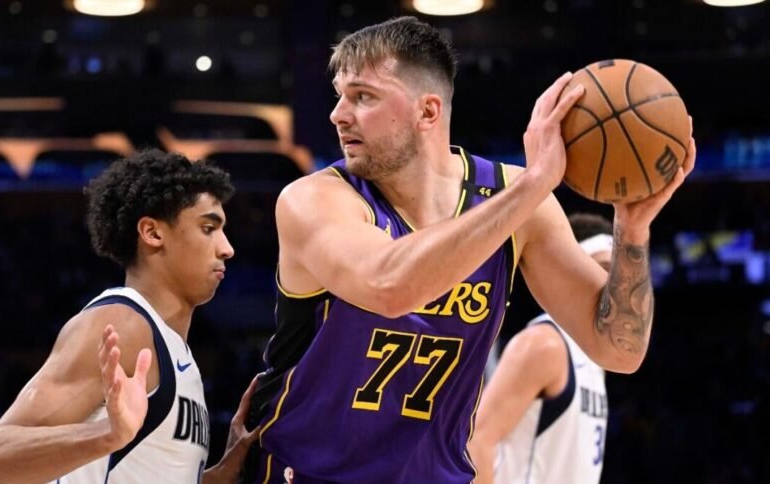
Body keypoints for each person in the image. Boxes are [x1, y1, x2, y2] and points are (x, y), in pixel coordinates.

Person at [245, 16, 695, 483]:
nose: (338, 114)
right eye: (340, 95)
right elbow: (390, 287)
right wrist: (535, 184)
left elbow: (619, 349)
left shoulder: (515, 200)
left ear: (427, 112)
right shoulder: (314, 200)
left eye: (363, 96)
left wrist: (632, 230)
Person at [0, 149, 259, 484]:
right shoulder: (122, 324)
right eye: (208, 228)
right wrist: (108, 434)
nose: (227, 248)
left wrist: (220, 475)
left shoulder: (177, 351)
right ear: (152, 232)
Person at [469, 213, 614, 484]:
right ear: (573, 274)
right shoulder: (544, 344)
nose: (612, 285)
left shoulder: (595, 356)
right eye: (602, 268)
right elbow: (477, 441)